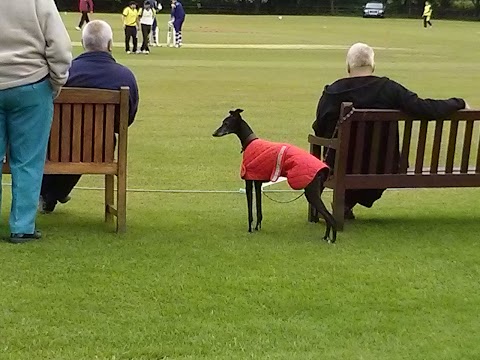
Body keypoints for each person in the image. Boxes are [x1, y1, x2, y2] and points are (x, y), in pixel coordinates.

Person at [313, 43, 468, 220]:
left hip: (340, 163)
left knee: (341, 156)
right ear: (373, 65)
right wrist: (458, 103)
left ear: (348, 66)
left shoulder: (333, 91)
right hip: (382, 165)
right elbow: (425, 108)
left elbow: (319, 128)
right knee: (383, 163)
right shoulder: (389, 88)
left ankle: (344, 202)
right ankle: (348, 202)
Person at [40, 20, 139, 214]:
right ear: (110, 44)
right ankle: (52, 193)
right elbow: (126, 121)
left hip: (56, 144)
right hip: (100, 149)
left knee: (68, 141)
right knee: (91, 140)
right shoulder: (125, 76)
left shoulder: (64, 73)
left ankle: (49, 193)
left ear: (84, 44)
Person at [0, 0, 71, 243]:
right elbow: (59, 45)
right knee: (28, 161)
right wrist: (57, 80)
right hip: (31, 83)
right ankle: (22, 227)